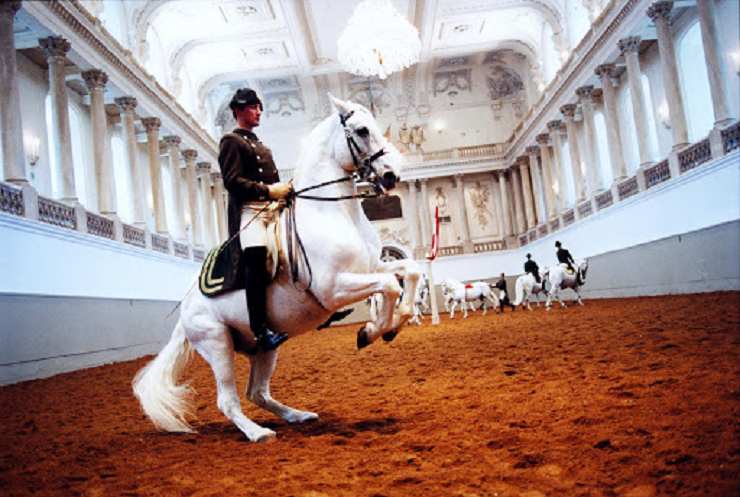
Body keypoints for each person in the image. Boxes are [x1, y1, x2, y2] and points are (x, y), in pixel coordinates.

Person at [218, 88, 292, 351]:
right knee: (256, 258)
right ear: (238, 111)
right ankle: (260, 330)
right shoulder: (231, 141)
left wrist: (284, 193)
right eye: (253, 107)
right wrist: (269, 191)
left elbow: (275, 182)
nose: (259, 111)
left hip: (273, 210)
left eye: (259, 107)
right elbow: (232, 181)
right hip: (251, 213)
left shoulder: (262, 146)